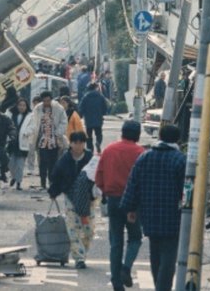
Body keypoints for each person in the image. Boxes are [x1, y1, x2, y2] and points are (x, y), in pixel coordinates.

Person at [120, 125, 186, 291]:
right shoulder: (180, 160)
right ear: (177, 139)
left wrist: (130, 208)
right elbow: (186, 191)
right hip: (172, 216)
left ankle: (159, 285)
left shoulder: (145, 157)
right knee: (168, 257)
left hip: (149, 214)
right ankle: (162, 288)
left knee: (155, 253)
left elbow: (133, 184)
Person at [95, 121, 145, 291]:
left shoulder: (109, 150)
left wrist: (106, 191)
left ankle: (116, 281)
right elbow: (143, 181)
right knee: (135, 238)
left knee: (116, 242)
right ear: (137, 135)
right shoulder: (140, 153)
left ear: (122, 132)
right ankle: (126, 267)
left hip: (113, 200)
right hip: (133, 202)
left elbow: (99, 177)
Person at [48, 131, 94, 269]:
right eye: (75, 143)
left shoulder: (90, 159)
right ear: (71, 143)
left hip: (89, 199)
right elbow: (56, 176)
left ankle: (83, 252)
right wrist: (53, 192)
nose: (78, 146)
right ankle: (79, 258)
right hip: (70, 197)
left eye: (81, 142)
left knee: (88, 230)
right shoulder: (65, 159)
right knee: (72, 228)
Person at [26, 91, 68, 189]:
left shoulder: (59, 108)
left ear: (51, 99)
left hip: (54, 140)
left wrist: (58, 133)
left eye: (48, 100)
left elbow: (64, 122)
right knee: (42, 163)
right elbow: (33, 122)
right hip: (42, 141)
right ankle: (43, 182)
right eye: (44, 101)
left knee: (53, 163)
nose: (46, 103)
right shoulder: (37, 109)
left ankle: (51, 181)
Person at [6, 97, 31, 190]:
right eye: (20, 105)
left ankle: (19, 182)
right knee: (11, 163)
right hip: (12, 142)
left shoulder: (30, 115)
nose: (22, 107)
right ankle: (14, 177)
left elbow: (33, 126)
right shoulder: (10, 114)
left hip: (23, 142)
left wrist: (26, 132)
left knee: (20, 164)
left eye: (24, 105)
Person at [78, 82, 107, 153]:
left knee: (89, 136)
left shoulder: (85, 97)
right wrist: (103, 113)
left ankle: (90, 149)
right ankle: (98, 142)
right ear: (95, 88)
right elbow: (105, 107)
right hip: (98, 119)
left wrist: (80, 116)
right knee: (99, 134)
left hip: (88, 120)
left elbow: (81, 108)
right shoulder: (100, 96)